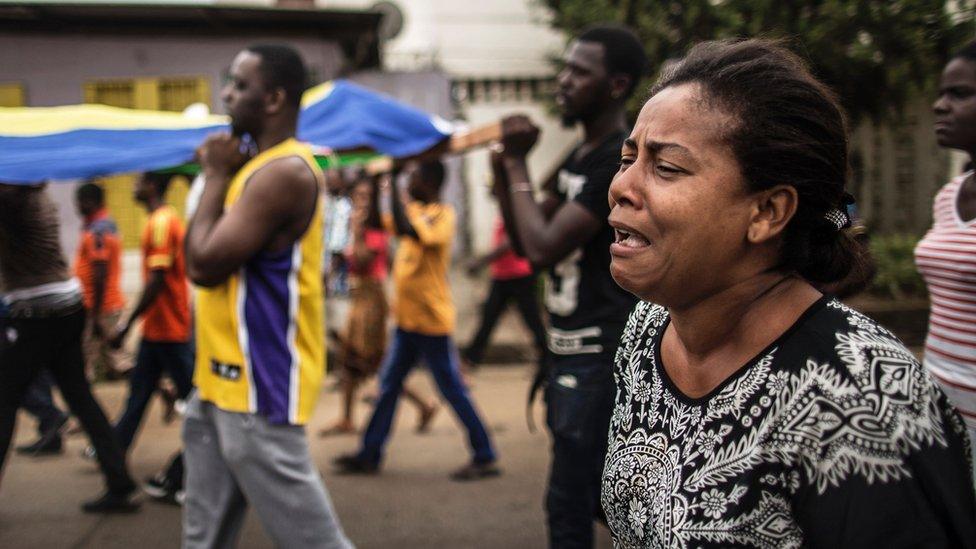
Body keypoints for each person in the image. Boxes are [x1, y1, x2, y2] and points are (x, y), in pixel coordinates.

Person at [601, 38, 976, 547]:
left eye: (666, 167)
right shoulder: (649, 326)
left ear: (767, 212)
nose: (622, 186)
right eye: (629, 158)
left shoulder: (862, 402)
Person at [183, 44, 351, 548]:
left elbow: (203, 265)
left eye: (239, 84)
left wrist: (214, 174)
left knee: (313, 541)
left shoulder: (285, 173)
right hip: (217, 383)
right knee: (202, 536)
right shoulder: (257, 166)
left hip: (258, 387)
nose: (226, 94)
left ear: (275, 98)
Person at [493, 25, 647, 547]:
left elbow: (541, 247)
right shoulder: (579, 159)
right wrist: (502, 171)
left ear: (616, 85)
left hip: (599, 357)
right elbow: (527, 236)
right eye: (566, 68)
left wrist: (515, 163)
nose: (564, 81)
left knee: (576, 506)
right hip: (569, 355)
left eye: (580, 72)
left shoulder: (613, 163)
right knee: (590, 502)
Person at [333, 160, 500, 480]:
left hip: (431, 321)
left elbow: (408, 230)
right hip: (408, 321)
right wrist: (374, 180)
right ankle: (369, 453)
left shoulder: (442, 216)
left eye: (415, 176)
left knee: (450, 388)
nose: (411, 182)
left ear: (430, 182)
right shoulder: (411, 211)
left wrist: (393, 182)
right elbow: (377, 225)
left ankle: (485, 453)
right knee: (388, 385)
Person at [0, 182, 138, 512]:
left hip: (37, 312)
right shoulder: (36, 193)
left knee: (4, 401)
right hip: (66, 306)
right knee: (80, 397)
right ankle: (119, 481)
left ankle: (118, 480)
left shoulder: (11, 198)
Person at [318, 174, 438, 436]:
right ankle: (347, 418)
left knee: (374, 363)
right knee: (349, 360)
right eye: (357, 198)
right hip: (360, 296)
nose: (360, 204)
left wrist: (357, 232)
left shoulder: (372, 230)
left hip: (371, 300)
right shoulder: (360, 227)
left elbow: (362, 261)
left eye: (365, 198)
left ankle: (423, 405)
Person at [93, 173, 192, 456]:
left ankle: (199, 463)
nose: (134, 187)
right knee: (138, 394)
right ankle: (113, 458)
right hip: (158, 329)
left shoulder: (161, 222)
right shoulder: (158, 220)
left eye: (138, 182)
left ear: (151, 186)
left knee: (197, 403)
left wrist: (126, 325)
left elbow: (157, 280)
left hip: (170, 329)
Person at [916, 40, 976, 459]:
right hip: (935, 401)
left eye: (959, 94)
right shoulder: (949, 196)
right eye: (941, 93)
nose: (940, 105)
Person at [461, 214, 547, 370]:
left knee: (532, 319)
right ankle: (471, 358)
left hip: (519, 275)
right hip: (502, 275)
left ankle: (549, 357)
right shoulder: (504, 210)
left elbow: (509, 242)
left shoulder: (512, 208)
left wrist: (482, 261)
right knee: (489, 318)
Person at [74, 181, 129, 380]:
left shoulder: (99, 230)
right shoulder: (100, 226)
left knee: (106, 356)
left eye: (79, 202)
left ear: (91, 202)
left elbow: (100, 272)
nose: (77, 207)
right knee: (110, 358)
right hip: (100, 304)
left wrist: (96, 313)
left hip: (103, 306)